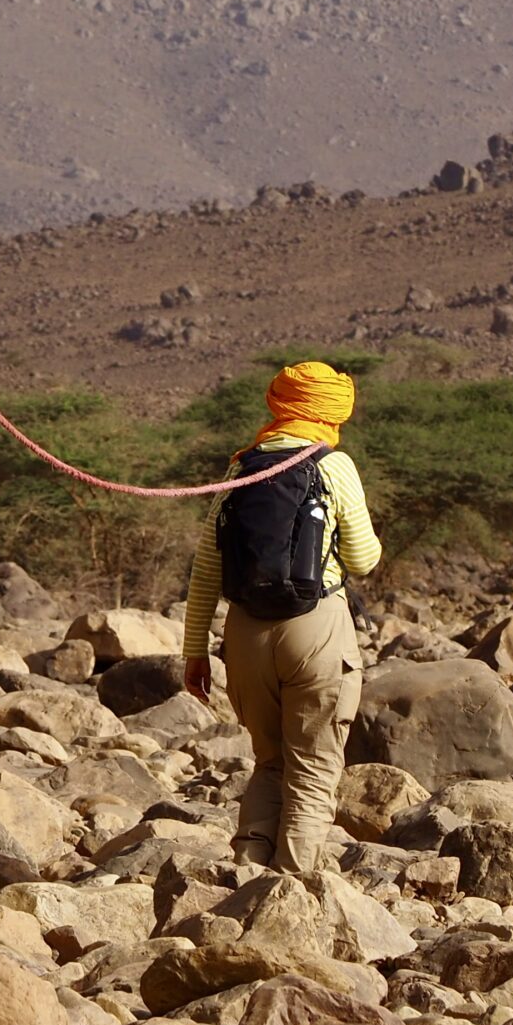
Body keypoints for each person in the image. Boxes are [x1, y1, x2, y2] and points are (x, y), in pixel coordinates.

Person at [180, 359, 382, 873]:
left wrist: (195, 652)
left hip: (245, 634)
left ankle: (247, 875)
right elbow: (362, 559)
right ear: (332, 411)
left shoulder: (243, 468)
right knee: (313, 770)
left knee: (270, 762)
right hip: (316, 628)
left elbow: (206, 568)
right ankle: (290, 891)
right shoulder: (335, 466)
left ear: (280, 403)